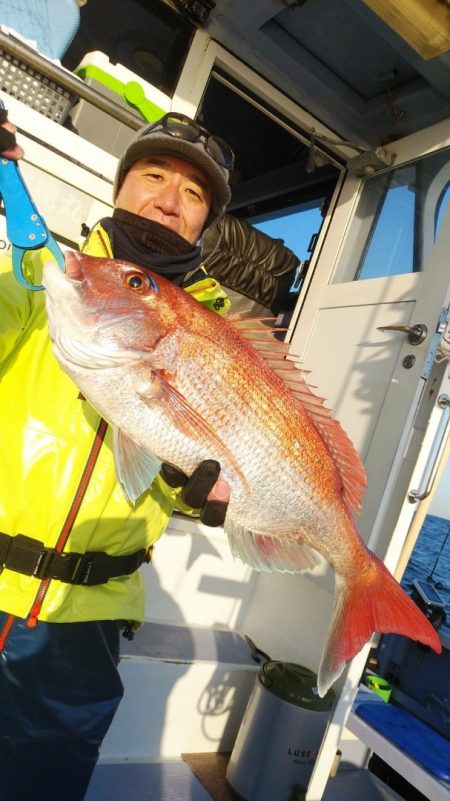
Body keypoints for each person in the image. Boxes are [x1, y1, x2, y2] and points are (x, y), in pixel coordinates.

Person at [0, 110, 299, 801]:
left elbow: (175, 472)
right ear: (121, 185)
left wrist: (196, 489)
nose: (170, 197)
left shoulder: (225, 335)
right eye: (155, 175)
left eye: (194, 193)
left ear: (205, 224)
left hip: (86, 624)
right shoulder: (40, 272)